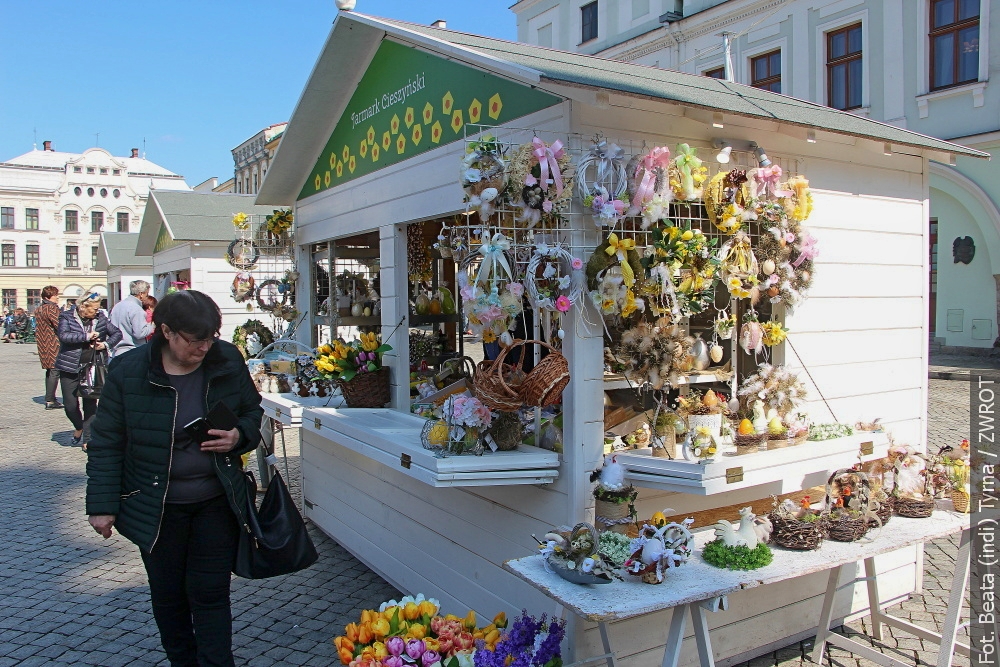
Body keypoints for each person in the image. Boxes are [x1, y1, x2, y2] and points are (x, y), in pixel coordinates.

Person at [86, 290, 263, 667]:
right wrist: (102, 506)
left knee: (211, 592)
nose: (204, 347)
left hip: (215, 499)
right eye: (195, 340)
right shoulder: (127, 371)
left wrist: (239, 436)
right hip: (155, 506)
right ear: (166, 331)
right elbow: (106, 443)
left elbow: (252, 412)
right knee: (168, 595)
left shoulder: (226, 359)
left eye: (211, 337)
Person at [55, 293, 122, 449]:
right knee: (70, 405)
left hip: (92, 366)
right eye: (95, 309)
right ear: (83, 307)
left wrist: (105, 344)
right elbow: (64, 335)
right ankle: (79, 426)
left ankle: (88, 438)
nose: (98, 311)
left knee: (90, 404)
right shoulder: (66, 317)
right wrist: (86, 336)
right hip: (70, 365)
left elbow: (117, 333)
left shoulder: (101, 318)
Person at [109, 279, 155, 358]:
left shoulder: (117, 306)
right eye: (147, 295)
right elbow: (140, 333)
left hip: (116, 352)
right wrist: (152, 325)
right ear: (141, 294)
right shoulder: (137, 309)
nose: (147, 297)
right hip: (132, 351)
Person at [34, 286, 64, 409]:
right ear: (48, 297)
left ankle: (49, 397)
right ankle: (50, 400)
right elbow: (60, 325)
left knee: (50, 370)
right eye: (55, 295)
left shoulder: (40, 309)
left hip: (43, 342)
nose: (57, 297)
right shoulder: (51, 308)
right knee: (55, 370)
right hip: (53, 343)